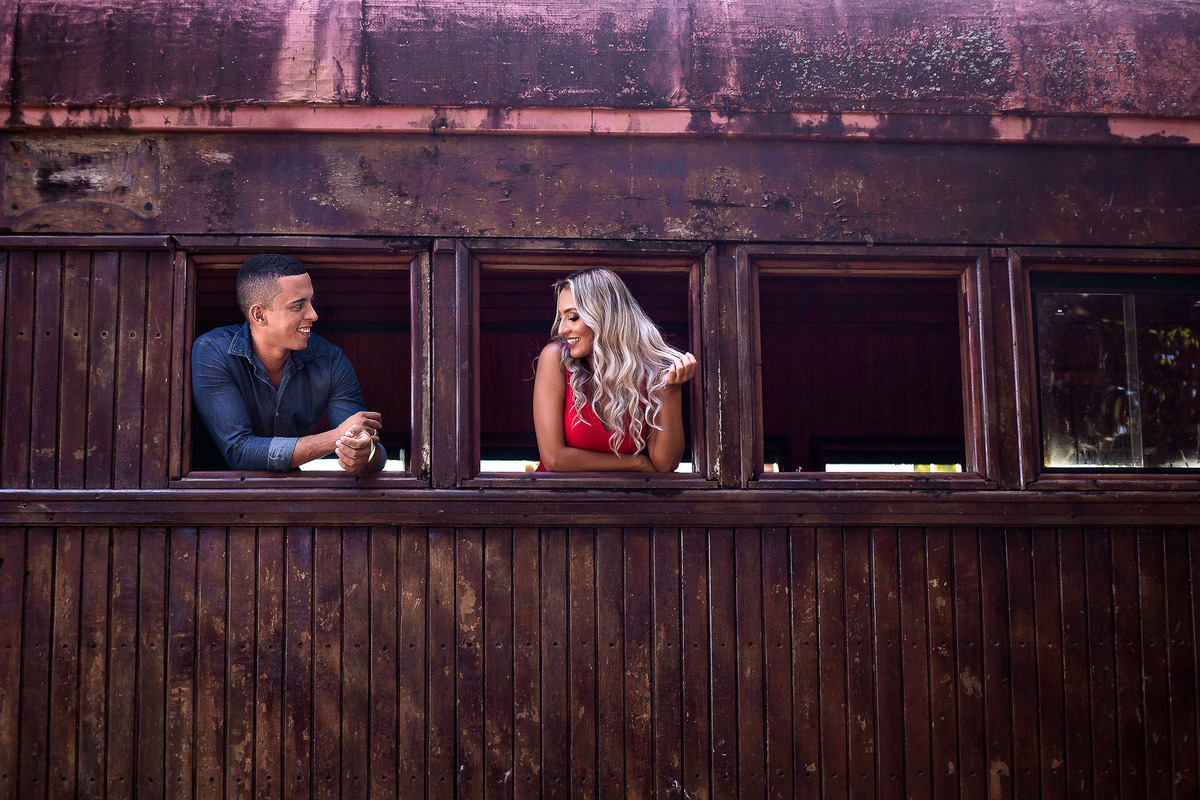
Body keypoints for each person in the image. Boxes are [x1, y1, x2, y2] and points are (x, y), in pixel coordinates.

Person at [191, 253, 386, 472]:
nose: (313, 314)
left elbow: (369, 445)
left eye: (311, 301)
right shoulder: (213, 351)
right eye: (298, 305)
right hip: (212, 497)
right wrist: (335, 438)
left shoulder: (331, 360)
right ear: (259, 315)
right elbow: (239, 451)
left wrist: (364, 451)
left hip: (290, 496)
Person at [533, 268, 697, 472]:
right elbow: (554, 460)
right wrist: (637, 463)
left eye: (573, 317)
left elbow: (665, 464)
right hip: (557, 501)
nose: (562, 329)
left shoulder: (650, 371)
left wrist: (670, 389)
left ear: (604, 316)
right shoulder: (555, 357)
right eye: (561, 318)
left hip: (624, 502)